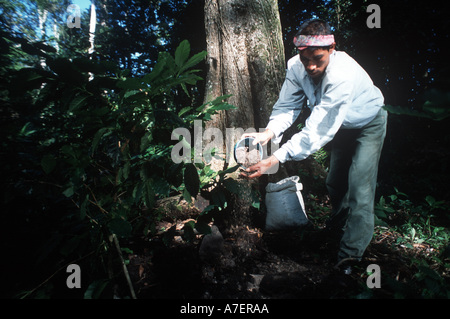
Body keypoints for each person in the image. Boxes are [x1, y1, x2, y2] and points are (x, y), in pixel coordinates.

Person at [240, 19, 387, 273]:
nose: (310, 66)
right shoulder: (296, 67)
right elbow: (288, 106)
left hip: (367, 124)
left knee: (360, 188)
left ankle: (349, 257)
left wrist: (275, 158)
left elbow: (318, 129)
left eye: (317, 58)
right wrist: (268, 133)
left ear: (332, 49)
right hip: (340, 128)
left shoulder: (342, 74)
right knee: (334, 182)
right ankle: (336, 231)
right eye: (305, 58)